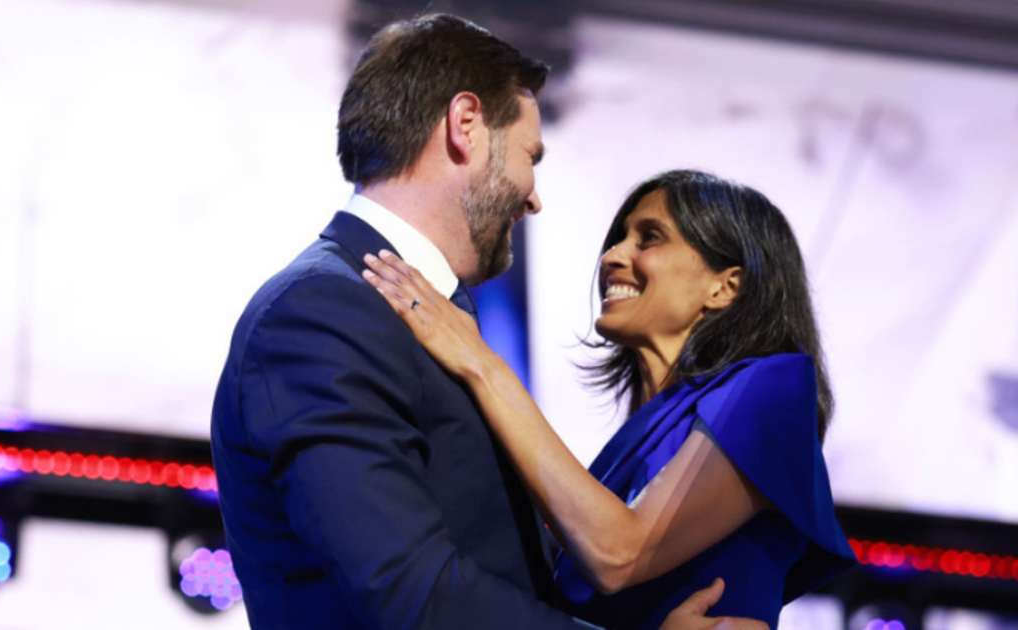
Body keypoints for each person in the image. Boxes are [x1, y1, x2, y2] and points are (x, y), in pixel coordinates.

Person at [210, 12, 763, 630]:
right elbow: (408, 590)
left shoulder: (412, 320)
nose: (533, 196)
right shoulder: (320, 314)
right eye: (531, 156)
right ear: (465, 125)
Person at [361, 169, 857, 628]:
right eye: (621, 238)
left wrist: (480, 362)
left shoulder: (773, 387)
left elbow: (618, 552)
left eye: (650, 238)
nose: (613, 256)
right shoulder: (623, 453)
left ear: (725, 287)